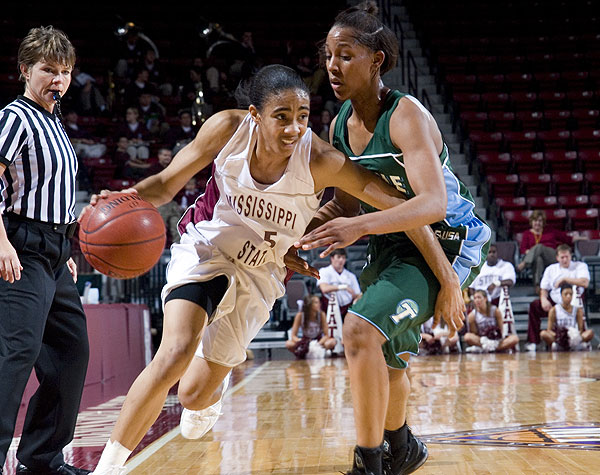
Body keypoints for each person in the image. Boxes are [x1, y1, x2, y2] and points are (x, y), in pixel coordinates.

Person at [86, 64, 462, 475]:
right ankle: (108, 468)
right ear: (255, 115)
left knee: (193, 395)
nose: (294, 128)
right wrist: (124, 198)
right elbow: (164, 184)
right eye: (281, 116)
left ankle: (213, 385)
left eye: (302, 117)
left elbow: (399, 203)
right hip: (207, 247)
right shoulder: (227, 129)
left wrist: (445, 273)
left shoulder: (320, 158)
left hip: (261, 272)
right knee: (174, 351)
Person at [295, 3, 491, 474]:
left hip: (449, 240)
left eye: (345, 55)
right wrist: (298, 233)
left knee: (360, 329)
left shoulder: (406, 115)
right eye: (327, 56)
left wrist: (448, 279)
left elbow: (432, 205)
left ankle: (370, 463)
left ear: (376, 60)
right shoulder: (341, 124)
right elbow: (346, 202)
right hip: (395, 242)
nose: (333, 66)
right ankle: (402, 447)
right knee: (388, 355)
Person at [0, 26, 90, 475]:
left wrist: (64, 245)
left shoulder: (54, 123)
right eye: (48, 70)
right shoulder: (15, 116)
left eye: (66, 71)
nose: (58, 80)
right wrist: (2, 243)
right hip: (20, 247)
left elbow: (51, 190)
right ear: (24, 71)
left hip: (55, 252)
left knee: (72, 353)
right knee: (16, 357)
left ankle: (40, 459)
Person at [525, 244, 590, 352]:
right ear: (557, 258)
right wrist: (543, 299)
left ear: (571, 256)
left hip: (573, 303)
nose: (564, 260)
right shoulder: (551, 269)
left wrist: (565, 279)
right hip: (555, 303)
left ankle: (580, 340)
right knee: (534, 305)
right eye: (562, 257)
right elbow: (544, 288)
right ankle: (533, 342)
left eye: (567, 257)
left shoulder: (580, 266)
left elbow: (585, 282)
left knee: (578, 307)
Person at [517, 209, 586, 291]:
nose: (537, 223)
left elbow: (567, 238)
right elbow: (523, 249)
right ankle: (538, 286)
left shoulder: (550, 231)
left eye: (540, 221)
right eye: (535, 221)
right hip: (536, 258)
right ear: (531, 222)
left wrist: (581, 238)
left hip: (552, 256)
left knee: (539, 247)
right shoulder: (527, 234)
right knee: (538, 259)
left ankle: (524, 264)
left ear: (543, 222)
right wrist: (530, 252)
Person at [541, 283, 594, 351]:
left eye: (570, 294)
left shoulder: (577, 310)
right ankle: (559, 345)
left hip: (573, 337)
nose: (568, 296)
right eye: (566, 294)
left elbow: (581, 330)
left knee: (590, 333)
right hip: (559, 337)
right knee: (543, 334)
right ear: (561, 295)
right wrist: (558, 335)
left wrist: (574, 335)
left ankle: (574, 345)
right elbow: (549, 330)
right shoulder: (554, 310)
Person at [285, 294, 337, 358]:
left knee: (332, 342)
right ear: (309, 305)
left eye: (319, 302)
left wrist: (317, 344)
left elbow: (326, 335)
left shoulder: (321, 314)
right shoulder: (300, 315)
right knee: (289, 344)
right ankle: (301, 353)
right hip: (305, 340)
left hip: (318, 340)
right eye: (316, 302)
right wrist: (301, 342)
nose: (319, 304)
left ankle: (322, 352)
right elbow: (293, 335)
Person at [317, 248, 362, 320]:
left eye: (343, 258)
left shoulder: (351, 276)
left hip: (347, 309)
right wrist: (344, 287)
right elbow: (324, 288)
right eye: (338, 257)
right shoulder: (324, 271)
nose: (341, 260)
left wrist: (356, 299)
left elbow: (357, 294)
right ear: (332, 258)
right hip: (329, 308)